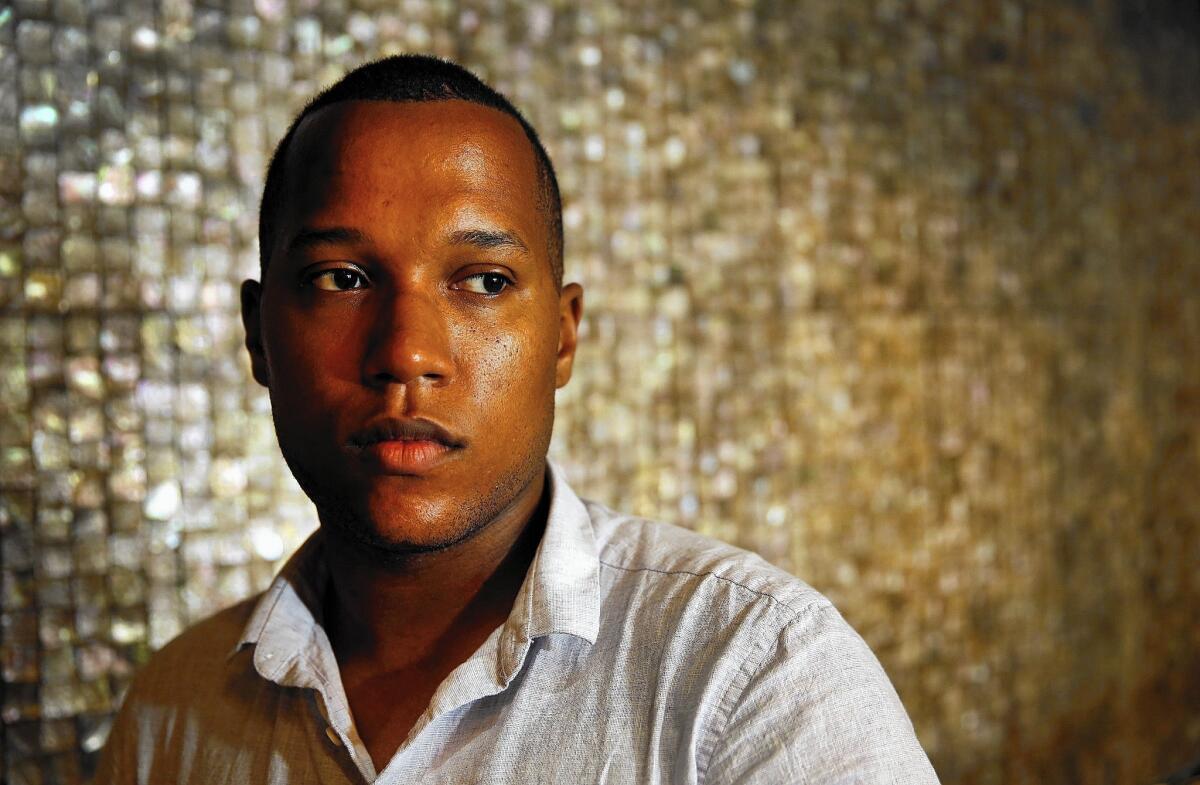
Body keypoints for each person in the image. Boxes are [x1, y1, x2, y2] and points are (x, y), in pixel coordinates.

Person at [97, 55, 939, 784]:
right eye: (342, 278)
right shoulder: (174, 710)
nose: (408, 352)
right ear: (257, 335)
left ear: (563, 338)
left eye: (484, 281)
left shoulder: (750, 668)